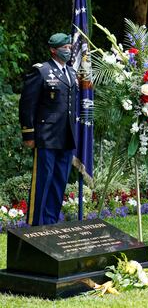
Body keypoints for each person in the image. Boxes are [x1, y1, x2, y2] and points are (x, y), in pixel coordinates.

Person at [19, 33, 77, 226]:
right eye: (65, 47)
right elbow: (27, 104)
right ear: (53, 49)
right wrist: (29, 133)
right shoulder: (41, 71)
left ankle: (50, 224)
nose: (68, 50)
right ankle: (35, 226)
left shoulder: (71, 73)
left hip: (66, 136)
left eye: (69, 47)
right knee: (43, 182)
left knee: (59, 182)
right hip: (46, 137)